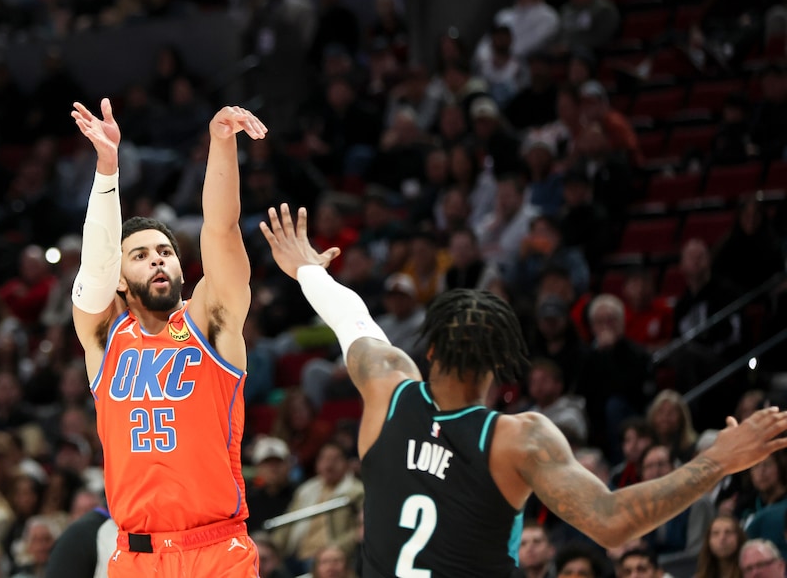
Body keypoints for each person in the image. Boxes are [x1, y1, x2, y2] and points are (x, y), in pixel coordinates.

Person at [257, 202, 787, 577]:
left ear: (431, 349)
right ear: (501, 365)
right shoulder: (520, 439)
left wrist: (307, 269)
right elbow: (613, 523)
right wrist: (718, 460)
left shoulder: (386, 387)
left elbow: (350, 316)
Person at [68, 99, 267, 577]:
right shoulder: (105, 336)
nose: (157, 259)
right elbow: (95, 266)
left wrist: (221, 143)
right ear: (120, 278)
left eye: (165, 251)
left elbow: (221, 230)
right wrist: (107, 168)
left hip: (215, 549)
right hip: (136, 557)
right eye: (140, 255)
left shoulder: (211, 320)